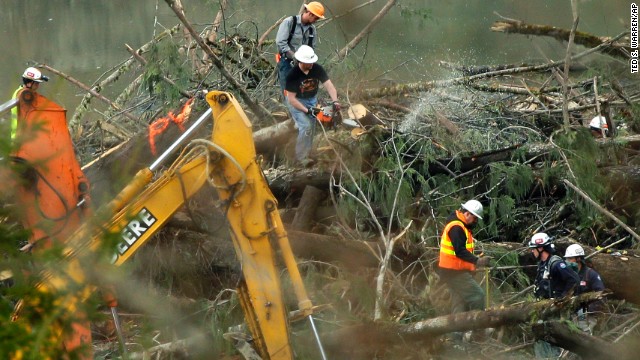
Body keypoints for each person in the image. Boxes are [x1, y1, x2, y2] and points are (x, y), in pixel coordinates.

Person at [438, 199, 492, 342]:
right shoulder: (457, 227)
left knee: (459, 304)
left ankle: (455, 340)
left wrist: (472, 264)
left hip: (453, 271)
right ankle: (478, 332)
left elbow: (462, 251)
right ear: (467, 214)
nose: (475, 221)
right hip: (454, 273)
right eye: (474, 218)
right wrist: (477, 261)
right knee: (478, 296)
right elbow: (460, 251)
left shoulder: (460, 225)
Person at [285, 45, 340, 166]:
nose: (311, 64)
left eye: (312, 62)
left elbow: (329, 86)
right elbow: (291, 99)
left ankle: (307, 153)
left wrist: (335, 101)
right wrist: (307, 110)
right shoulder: (293, 75)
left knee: (313, 126)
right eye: (308, 62)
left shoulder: (317, 69)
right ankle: (300, 158)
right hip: (297, 102)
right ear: (301, 61)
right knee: (306, 126)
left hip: (311, 99)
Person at [528, 233, 580, 358]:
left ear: (541, 249)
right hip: (544, 309)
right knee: (541, 338)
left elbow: (574, 280)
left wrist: (562, 299)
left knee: (556, 341)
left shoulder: (556, 264)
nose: (531, 251)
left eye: (533, 248)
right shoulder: (542, 264)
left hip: (555, 311)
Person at [275, 1, 324, 94]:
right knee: (287, 91)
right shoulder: (290, 22)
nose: (316, 20)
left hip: (304, 65)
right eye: (316, 17)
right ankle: (287, 107)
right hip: (287, 63)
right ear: (310, 13)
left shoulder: (312, 29)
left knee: (302, 92)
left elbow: (312, 47)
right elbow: (280, 42)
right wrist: (294, 56)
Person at [564, 244, 606, 334]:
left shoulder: (590, 274)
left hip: (588, 316)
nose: (567, 261)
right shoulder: (568, 275)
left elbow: (601, 294)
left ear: (578, 259)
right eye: (567, 259)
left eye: (570, 259)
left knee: (585, 338)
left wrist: (589, 311)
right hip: (571, 315)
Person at [10, 67, 49, 143]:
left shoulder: (21, 91)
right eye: (36, 83)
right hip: (19, 139)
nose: (38, 86)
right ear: (29, 83)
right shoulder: (24, 95)